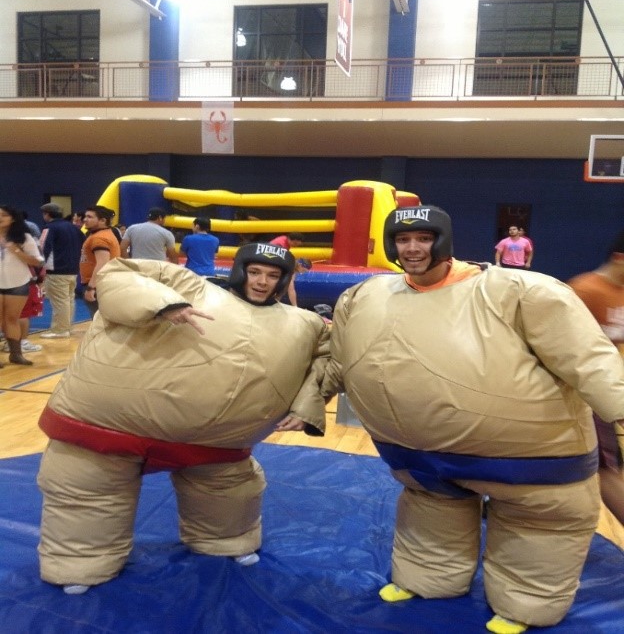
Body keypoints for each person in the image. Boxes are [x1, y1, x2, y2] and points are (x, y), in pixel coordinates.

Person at [321, 205, 624, 634]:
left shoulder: (521, 290)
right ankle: (427, 578)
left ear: (443, 240)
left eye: (423, 239)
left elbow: (589, 359)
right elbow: (340, 360)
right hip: (420, 459)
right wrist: (306, 406)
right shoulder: (365, 296)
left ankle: (524, 604)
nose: (412, 248)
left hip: (529, 461)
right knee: (431, 516)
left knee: (537, 527)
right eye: (403, 240)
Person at [36, 241, 329, 595]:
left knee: (227, 490)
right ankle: (80, 562)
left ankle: (226, 539)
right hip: (112, 425)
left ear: (284, 281)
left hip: (220, 443)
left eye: (272, 276)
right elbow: (118, 273)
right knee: (87, 489)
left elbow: (326, 362)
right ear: (239, 271)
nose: (262, 282)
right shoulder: (189, 286)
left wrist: (305, 408)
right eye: (254, 272)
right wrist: (162, 303)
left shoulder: (304, 322)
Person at [568, 230, 624, 526]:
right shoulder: (584, 290)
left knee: (610, 468)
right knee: (605, 471)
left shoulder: (621, 291)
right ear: (619, 259)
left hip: (605, 390)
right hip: (581, 395)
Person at [0, 205, 44, 366]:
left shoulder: (23, 237)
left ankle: (15, 354)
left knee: (12, 319)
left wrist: (16, 251)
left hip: (17, 283)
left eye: (3, 215)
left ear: (12, 218)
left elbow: (38, 261)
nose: (0, 218)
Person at [39, 202, 85, 339]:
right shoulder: (74, 228)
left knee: (60, 301)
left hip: (56, 270)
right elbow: (84, 244)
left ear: (47, 214)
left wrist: (39, 268)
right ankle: (67, 327)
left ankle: (60, 330)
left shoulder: (49, 228)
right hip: (72, 270)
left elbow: (43, 248)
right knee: (69, 299)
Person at [79, 205, 121, 318]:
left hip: (100, 285)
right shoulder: (103, 234)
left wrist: (91, 287)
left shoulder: (99, 238)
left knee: (100, 321)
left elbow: (102, 263)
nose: (85, 219)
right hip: (104, 283)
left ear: (102, 220)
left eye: (89, 217)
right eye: (85, 216)